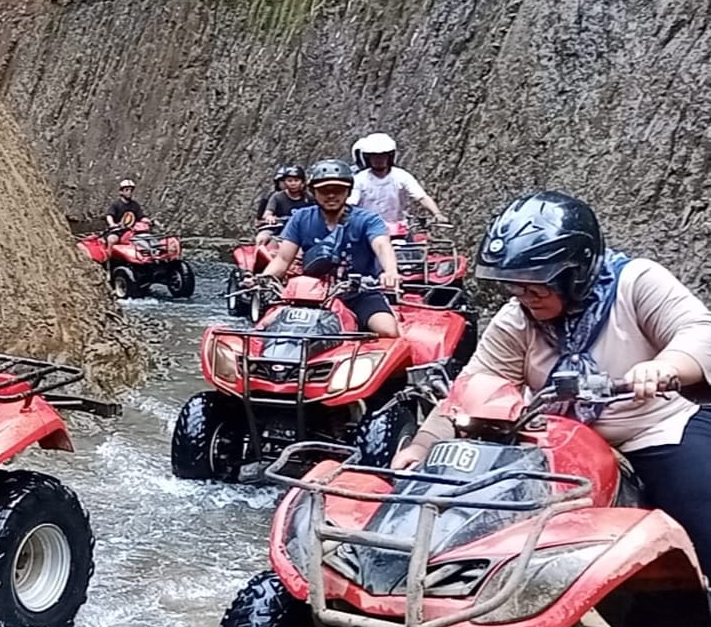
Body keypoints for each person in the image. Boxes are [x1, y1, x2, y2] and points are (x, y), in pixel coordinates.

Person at [392, 190, 711, 568]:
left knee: (700, 508)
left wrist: (666, 366)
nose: (524, 295)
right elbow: (476, 383)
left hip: (652, 428)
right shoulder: (518, 317)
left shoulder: (635, 282)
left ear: (575, 271)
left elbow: (697, 330)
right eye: (513, 284)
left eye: (536, 283)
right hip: (554, 444)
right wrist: (422, 447)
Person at [253, 159, 402, 338]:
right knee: (263, 329)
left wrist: (390, 272)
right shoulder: (301, 218)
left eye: (338, 190)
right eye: (324, 190)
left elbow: (381, 244)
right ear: (313, 192)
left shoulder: (368, 219)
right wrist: (263, 280)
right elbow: (283, 259)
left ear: (348, 192)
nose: (331, 196)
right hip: (310, 295)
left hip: (360, 292)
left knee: (387, 330)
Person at [348, 132, 448, 225]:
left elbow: (421, 197)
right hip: (367, 228)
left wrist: (437, 214)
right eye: (374, 156)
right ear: (368, 158)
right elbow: (351, 203)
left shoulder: (401, 176)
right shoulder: (359, 179)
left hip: (398, 228)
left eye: (383, 156)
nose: (379, 159)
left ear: (390, 157)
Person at [256, 164, 313, 244]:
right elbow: (267, 213)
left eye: (296, 180)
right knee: (263, 236)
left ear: (302, 182)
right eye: (289, 181)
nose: (293, 184)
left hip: (302, 229)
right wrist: (270, 217)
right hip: (278, 228)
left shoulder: (309, 197)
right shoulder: (277, 196)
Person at [106, 178, 145, 247]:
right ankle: (108, 257)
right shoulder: (115, 204)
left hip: (132, 231)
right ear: (121, 192)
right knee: (112, 240)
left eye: (131, 190)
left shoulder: (135, 204)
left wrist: (147, 220)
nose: (129, 192)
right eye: (126, 190)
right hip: (117, 230)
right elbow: (109, 215)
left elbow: (141, 216)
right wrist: (112, 224)